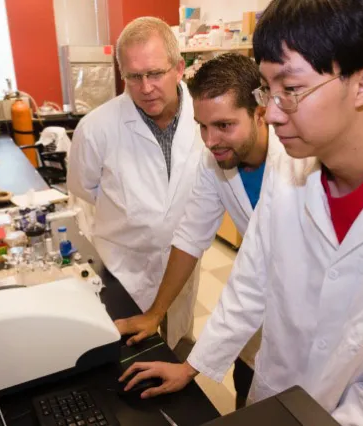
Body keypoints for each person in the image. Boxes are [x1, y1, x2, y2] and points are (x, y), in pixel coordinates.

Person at [119, 1, 363, 424]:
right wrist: (192, 365)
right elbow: (251, 282)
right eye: (268, 90)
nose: (269, 112)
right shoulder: (290, 167)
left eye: (291, 88)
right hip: (273, 395)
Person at [115, 53, 281, 408]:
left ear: (260, 112)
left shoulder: (298, 162)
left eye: (224, 125)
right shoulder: (216, 161)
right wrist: (154, 314)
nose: (210, 140)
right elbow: (191, 236)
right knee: (248, 392)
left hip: (312, 329)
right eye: (202, 126)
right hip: (254, 327)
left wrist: (192, 366)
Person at [67, 17, 204, 350]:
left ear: (179, 68)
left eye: (155, 73)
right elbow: (85, 192)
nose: (145, 88)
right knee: (127, 358)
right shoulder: (96, 128)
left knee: (178, 342)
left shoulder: (206, 118)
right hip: (122, 271)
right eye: (134, 76)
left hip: (184, 266)